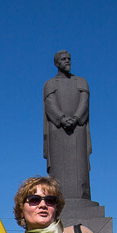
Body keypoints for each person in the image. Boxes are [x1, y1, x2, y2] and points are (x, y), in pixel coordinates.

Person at [43, 51, 92, 201]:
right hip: (58, 130)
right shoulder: (50, 84)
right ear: (56, 63)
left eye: (69, 59)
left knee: (80, 169)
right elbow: (50, 104)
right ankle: (59, 198)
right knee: (59, 174)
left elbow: (84, 102)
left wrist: (76, 118)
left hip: (78, 129)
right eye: (63, 59)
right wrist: (62, 118)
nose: (67, 61)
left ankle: (82, 197)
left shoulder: (81, 82)